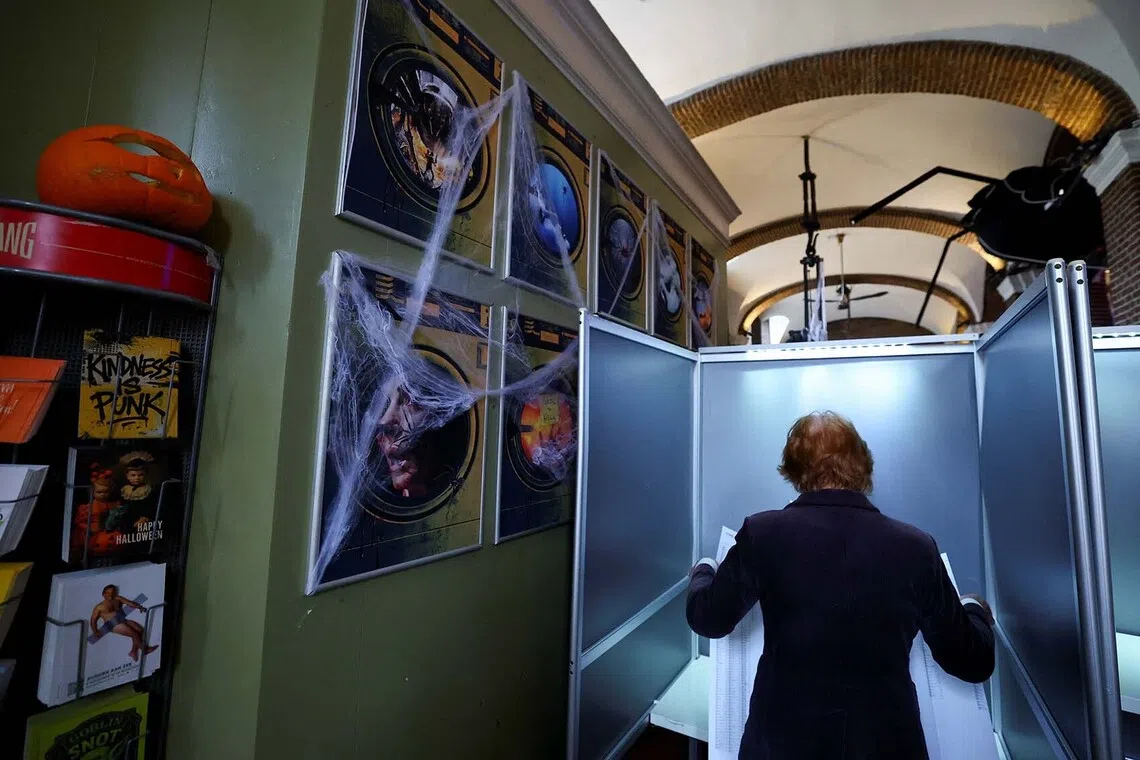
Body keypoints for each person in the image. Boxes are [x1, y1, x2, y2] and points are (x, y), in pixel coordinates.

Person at [687, 411, 994, 760]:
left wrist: (703, 571)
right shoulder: (916, 547)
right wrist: (973, 609)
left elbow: (708, 617)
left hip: (783, 745)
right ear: (863, 464)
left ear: (794, 470)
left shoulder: (763, 534)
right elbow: (972, 661)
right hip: (885, 746)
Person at [90, 584, 159, 662]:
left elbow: (129, 603)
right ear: (103, 594)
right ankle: (145, 650)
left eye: (112, 592)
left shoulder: (118, 598)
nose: (110, 594)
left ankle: (133, 652)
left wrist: (140, 607)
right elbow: (93, 620)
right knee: (134, 634)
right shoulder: (99, 607)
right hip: (112, 624)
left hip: (121, 620)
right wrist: (95, 632)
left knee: (140, 630)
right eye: (108, 593)